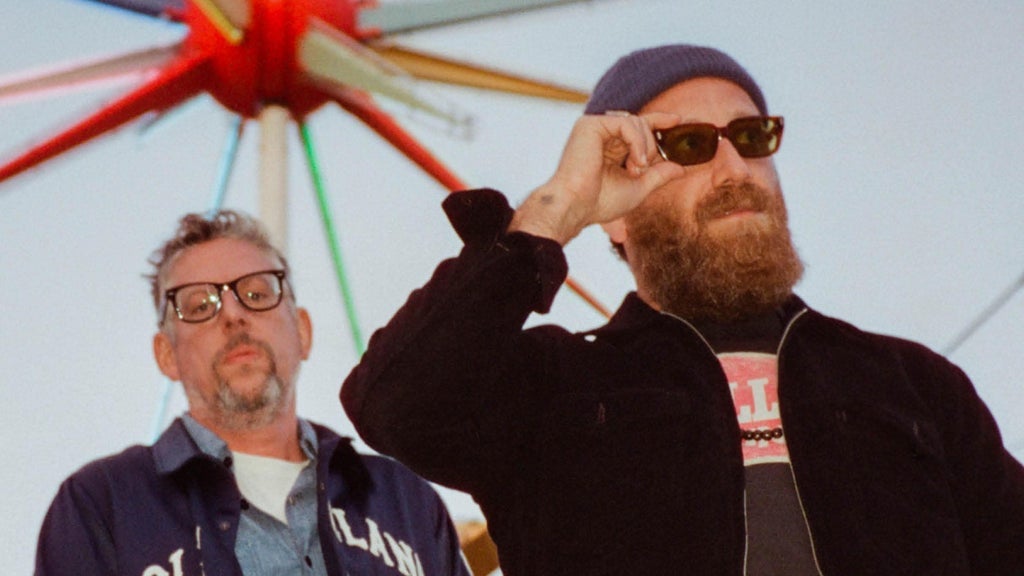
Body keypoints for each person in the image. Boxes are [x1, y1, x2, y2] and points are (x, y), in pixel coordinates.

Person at [341, 44, 1024, 575]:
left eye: (751, 136)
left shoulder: (915, 384)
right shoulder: (552, 387)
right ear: (615, 215)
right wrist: (555, 209)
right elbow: (394, 406)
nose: (734, 170)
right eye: (691, 145)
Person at [36, 211, 471, 576]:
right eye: (199, 305)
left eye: (257, 293)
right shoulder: (103, 505)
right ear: (167, 355)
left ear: (302, 332)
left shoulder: (405, 501)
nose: (233, 314)